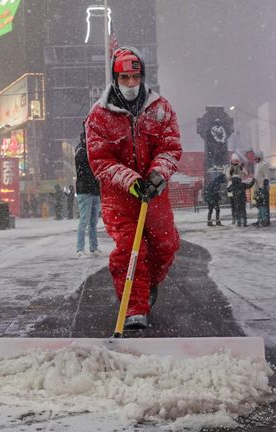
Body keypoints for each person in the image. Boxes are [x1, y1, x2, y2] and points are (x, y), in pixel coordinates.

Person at [85, 46, 182, 330]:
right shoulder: (99, 116)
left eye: (135, 77)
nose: (130, 83)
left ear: (142, 77)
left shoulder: (161, 109)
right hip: (119, 196)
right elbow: (100, 159)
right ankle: (134, 307)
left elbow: (170, 146)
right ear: (115, 78)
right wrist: (130, 181)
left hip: (154, 193)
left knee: (165, 245)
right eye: (124, 77)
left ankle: (147, 284)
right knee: (130, 249)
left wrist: (157, 174)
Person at [74, 130, 101, 258]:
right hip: (85, 190)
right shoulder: (81, 152)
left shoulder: (90, 151)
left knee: (93, 221)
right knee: (84, 221)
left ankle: (93, 247)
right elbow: (88, 167)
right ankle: (80, 249)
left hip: (94, 190)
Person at [251, 149, 271, 227]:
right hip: (257, 187)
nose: (256, 159)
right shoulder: (257, 165)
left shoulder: (264, 164)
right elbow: (256, 176)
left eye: (257, 157)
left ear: (261, 157)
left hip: (263, 187)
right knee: (259, 205)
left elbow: (267, 175)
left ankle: (265, 220)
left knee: (264, 205)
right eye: (255, 157)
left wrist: (265, 183)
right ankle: (260, 219)